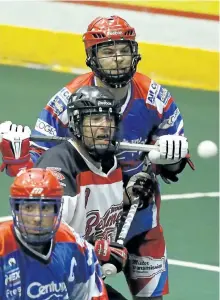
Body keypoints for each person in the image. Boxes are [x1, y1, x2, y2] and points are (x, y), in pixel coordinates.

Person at [0, 16, 194, 299]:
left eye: (123, 50)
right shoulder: (65, 102)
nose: (117, 59)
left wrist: (170, 157)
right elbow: (37, 175)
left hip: (139, 214)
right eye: (107, 51)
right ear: (91, 57)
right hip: (87, 220)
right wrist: (15, 158)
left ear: (135, 52)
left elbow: (172, 166)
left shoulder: (156, 98)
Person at [0, 168, 108, 300]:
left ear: (57, 209)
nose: (37, 218)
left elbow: (92, 295)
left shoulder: (74, 244)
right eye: (29, 207)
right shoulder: (2, 246)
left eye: (45, 207)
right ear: (16, 209)